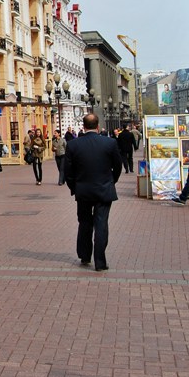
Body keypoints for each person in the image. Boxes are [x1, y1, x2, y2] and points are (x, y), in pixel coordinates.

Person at [64, 113, 122, 272]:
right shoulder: (109, 143)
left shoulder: (73, 145)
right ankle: (100, 262)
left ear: (83, 126)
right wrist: (112, 181)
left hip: (83, 191)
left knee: (84, 222)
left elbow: (68, 171)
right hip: (104, 189)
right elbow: (118, 166)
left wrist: (74, 187)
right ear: (97, 126)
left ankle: (84, 255)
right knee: (101, 224)